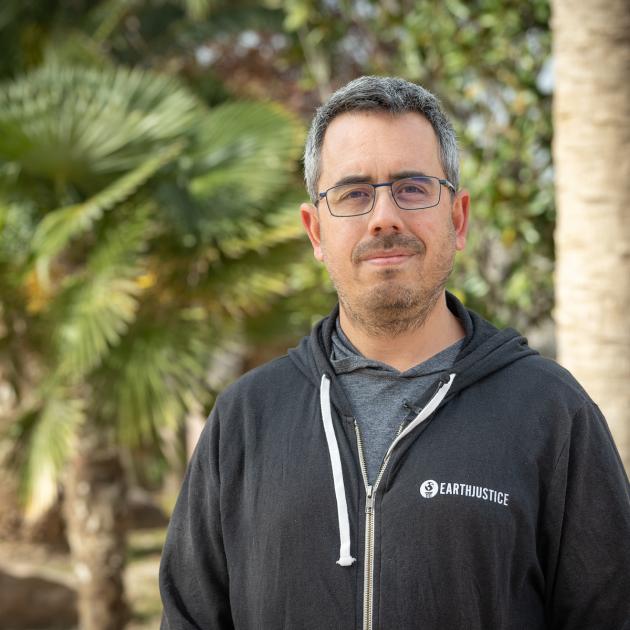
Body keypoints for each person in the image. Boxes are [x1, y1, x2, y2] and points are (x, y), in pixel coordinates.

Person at [159, 76, 630, 629]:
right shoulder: (245, 419)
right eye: (354, 193)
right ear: (315, 232)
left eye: (411, 187)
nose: (384, 216)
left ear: (457, 220)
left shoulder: (551, 413)